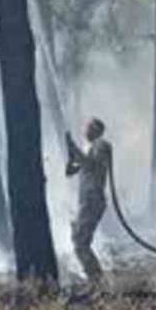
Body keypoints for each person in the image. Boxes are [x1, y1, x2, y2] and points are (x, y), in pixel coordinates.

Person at [66, 118, 111, 284]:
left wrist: (73, 147)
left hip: (92, 200)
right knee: (78, 238)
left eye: (89, 127)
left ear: (96, 130)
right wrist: (72, 159)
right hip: (87, 200)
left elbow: (90, 165)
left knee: (80, 242)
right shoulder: (91, 148)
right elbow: (73, 170)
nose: (85, 129)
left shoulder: (100, 145)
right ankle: (94, 277)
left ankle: (96, 279)